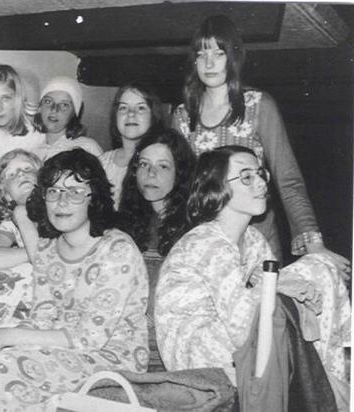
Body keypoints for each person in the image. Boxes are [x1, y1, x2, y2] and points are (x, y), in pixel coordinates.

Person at [0, 149, 149, 411]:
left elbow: (89, 339)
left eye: (75, 192)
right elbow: (42, 316)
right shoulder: (48, 248)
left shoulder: (117, 249)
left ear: (94, 198)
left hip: (110, 360)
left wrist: (3, 337)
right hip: (57, 350)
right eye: (54, 192)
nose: (61, 202)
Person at [155, 145, 350, 396]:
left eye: (260, 174)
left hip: (233, 341)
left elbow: (267, 298)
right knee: (313, 272)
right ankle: (324, 385)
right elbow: (241, 325)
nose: (260, 183)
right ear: (217, 188)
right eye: (246, 177)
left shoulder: (253, 239)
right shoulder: (207, 242)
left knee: (320, 268)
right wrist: (280, 290)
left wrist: (288, 290)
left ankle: (325, 379)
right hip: (199, 356)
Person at [172, 15, 350, 272]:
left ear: (233, 57)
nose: (209, 63)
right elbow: (179, 188)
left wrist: (314, 243)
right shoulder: (181, 116)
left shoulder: (259, 105)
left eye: (219, 53)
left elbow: (288, 179)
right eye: (201, 54)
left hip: (259, 239)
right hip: (205, 244)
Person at [117, 128, 196, 372]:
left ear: (179, 173)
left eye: (163, 166)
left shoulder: (195, 229)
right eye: (144, 164)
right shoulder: (123, 224)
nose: (150, 173)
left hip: (173, 352)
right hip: (127, 346)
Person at [0, 149, 42, 328]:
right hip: (5, 315)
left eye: (27, 169)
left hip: (45, 309)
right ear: (6, 194)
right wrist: (35, 251)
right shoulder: (9, 225)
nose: (21, 174)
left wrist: (22, 215)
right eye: (11, 174)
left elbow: (44, 264)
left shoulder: (60, 214)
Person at [99, 82, 164, 208]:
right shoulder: (102, 164)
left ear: (153, 116)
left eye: (141, 108)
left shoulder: (161, 164)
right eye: (123, 108)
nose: (131, 113)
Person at [33, 76, 102, 160]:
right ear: (40, 107)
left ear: (74, 113)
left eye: (64, 105)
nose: (54, 109)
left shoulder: (87, 148)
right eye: (48, 101)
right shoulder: (32, 150)